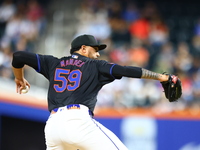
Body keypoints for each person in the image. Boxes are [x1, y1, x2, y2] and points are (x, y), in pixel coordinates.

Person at [12, 34, 170, 150]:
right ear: (83, 49)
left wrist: (19, 78)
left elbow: (18, 56)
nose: (98, 54)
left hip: (52, 127)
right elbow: (127, 70)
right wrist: (161, 77)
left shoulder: (53, 63)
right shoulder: (95, 66)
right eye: (95, 49)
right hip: (77, 122)